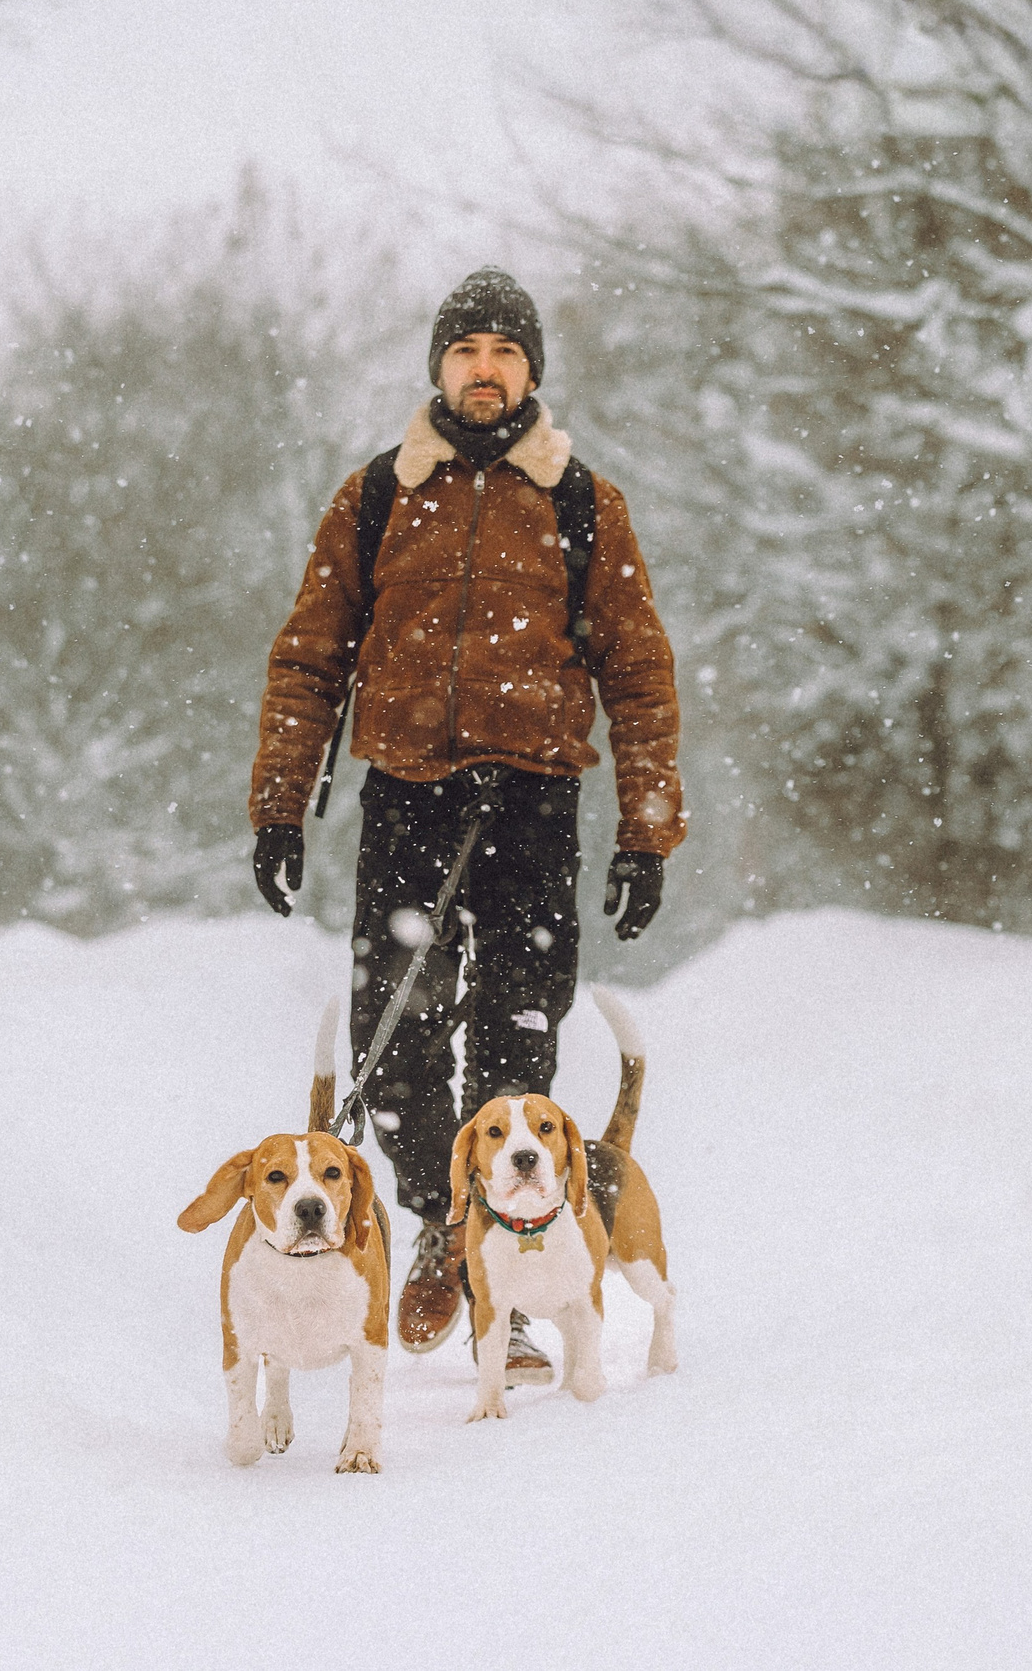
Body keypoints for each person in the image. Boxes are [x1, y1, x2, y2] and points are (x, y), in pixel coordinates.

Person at [247, 266, 685, 1372]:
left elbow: (637, 674)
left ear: (531, 371)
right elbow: (308, 659)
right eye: (463, 351)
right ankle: (440, 1220)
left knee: (516, 1040)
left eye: (503, 352)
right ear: (437, 370)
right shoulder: (379, 497)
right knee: (394, 1031)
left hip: (534, 801)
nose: (482, 370)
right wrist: (282, 808)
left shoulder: (582, 500)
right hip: (405, 794)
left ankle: (514, 1275)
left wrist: (645, 828)